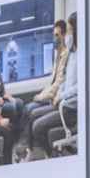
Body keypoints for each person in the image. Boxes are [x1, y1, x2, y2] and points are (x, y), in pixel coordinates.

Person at [13, 19, 72, 160]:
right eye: (54, 35)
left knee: (31, 111)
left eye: (57, 35)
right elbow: (51, 82)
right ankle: (28, 147)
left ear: (64, 36)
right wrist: (40, 94)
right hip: (52, 95)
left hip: (56, 98)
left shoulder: (67, 56)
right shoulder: (58, 55)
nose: (54, 39)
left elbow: (58, 84)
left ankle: (27, 147)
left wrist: (41, 97)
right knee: (27, 108)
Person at [30, 13, 79, 159]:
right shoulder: (71, 54)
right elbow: (64, 81)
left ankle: (51, 157)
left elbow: (79, 87)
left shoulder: (81, 55)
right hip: (62, 102)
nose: (66, 36)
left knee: (37, 126)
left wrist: (60, 96)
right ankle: (44, 153)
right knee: (33, 114)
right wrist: (59, 95)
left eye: (69, 31)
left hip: (70, 108)